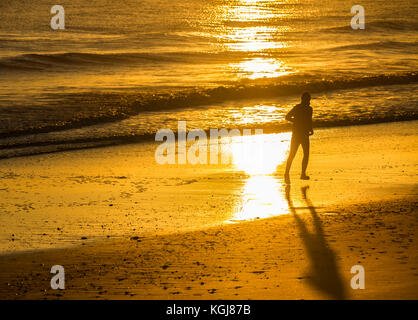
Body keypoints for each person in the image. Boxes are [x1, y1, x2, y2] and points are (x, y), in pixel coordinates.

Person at [284, 92, 313, 182]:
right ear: (303, 99)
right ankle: (287, 173)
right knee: (293, 154)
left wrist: (310, 129)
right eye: (307, 99)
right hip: (299, 134)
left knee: (305, 154)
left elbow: (309, 120)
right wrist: (296, 121)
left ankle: (302, 174)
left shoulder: (308, 109)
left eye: (309, 99)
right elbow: (287, 117)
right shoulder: (299, 108)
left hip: (302, 133)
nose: (309, 101)